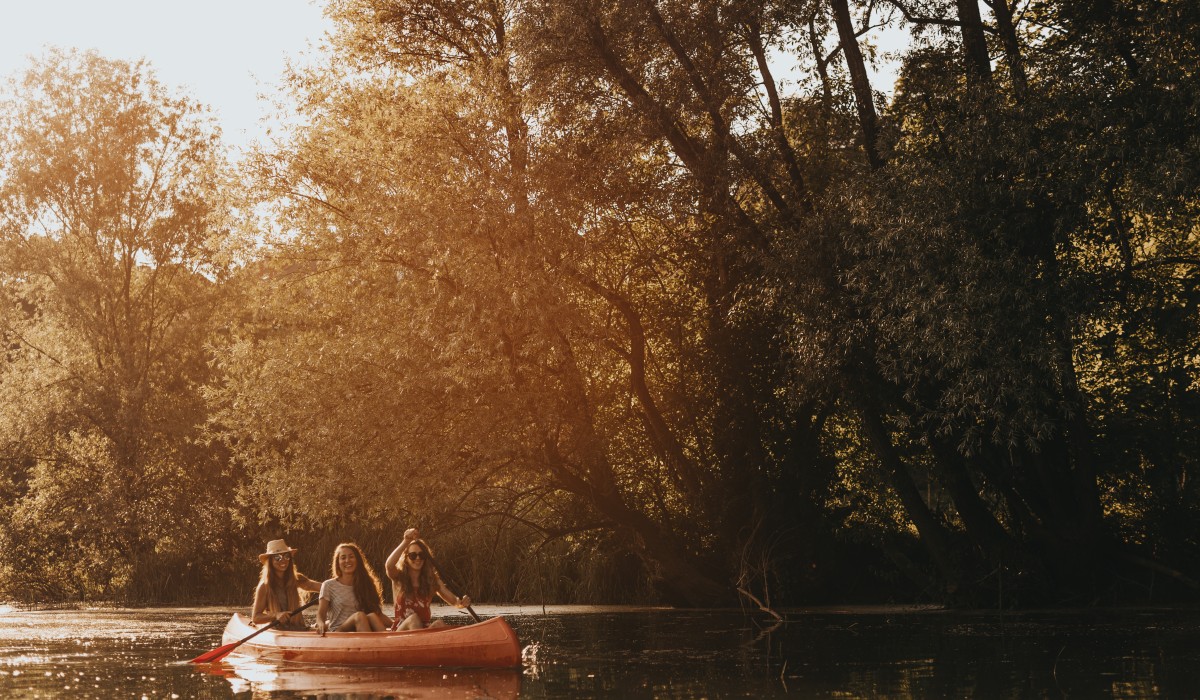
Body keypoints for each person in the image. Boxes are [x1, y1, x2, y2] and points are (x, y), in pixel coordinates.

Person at [384, 528, 471, 631]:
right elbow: (389, 566)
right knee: (414, 619)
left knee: (439, 623)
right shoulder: (398, 577)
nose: (418, 558)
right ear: (406, 559)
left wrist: (462, 602)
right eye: (413, 555)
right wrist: (406, 541)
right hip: (401, 632)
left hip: (424, 631)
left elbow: (454, 601)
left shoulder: (432, 581)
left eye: (421, 555)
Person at [315, 542, 391, 634]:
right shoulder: (328, 585)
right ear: (338, 563)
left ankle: (387, 645)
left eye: (351, 557)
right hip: (338, 631)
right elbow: (321, 614)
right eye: (343, 558)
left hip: (361, 628)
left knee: (372, 616)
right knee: (359, 616)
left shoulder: (366, 584)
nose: (347, 560)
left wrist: (396, 625)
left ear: (357, 560)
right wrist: (320, 624)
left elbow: (379, 614)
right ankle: (368, 646)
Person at [251, 539, 321, 630]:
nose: (283, 560)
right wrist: (276, 615)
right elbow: (256, 618)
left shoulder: (296, 579)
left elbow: (318, 587)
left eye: (286, 556)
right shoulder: (264, 586)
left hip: (299, 628)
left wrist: (338, 588)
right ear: (270, 561)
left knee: (329, 624)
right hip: (278, 630)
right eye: (277, 557)